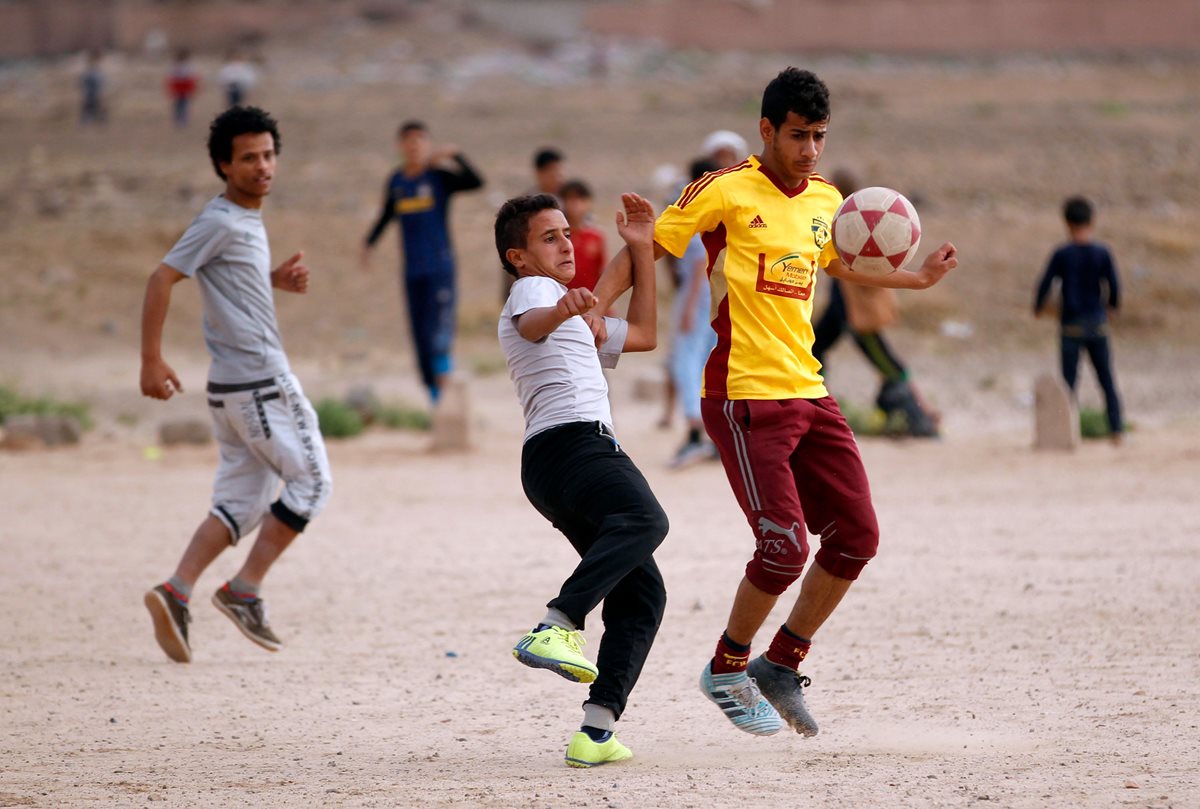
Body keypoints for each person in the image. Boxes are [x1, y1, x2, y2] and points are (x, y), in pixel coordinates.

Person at [590, 67, 957, 737]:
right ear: (766, 129)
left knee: (857, 536)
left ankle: (780, 664)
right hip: (743, 395)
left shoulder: (826, 198)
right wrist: (598, 304)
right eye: (797, 135)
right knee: (784, 548)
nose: (810, 149)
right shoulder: (723, 191)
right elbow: (645, 248)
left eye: (819, 136)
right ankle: (726, 666)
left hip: (811, 391)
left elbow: (841, 262)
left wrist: (917, 278)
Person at [140, 106, 333, 664]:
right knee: (313, 485)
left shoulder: (243, 220)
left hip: (229, 391)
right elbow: (162, 277)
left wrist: (271, 280)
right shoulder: (221, 218)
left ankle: (176, 590)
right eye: (248, 158)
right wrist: (151, 360)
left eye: (268, 155)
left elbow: (224, 278)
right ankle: (243, 590)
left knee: (240, 503)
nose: (262, 166)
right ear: (224, 165)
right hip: (261, 383)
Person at [497, 192, 668, 767]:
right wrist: (568, 308)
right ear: (518, 256)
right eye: (550, 237)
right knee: (646, 518)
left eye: (567, 233)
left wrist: (641, 249)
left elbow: (644, 333)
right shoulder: (532, 291)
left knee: (643, 594)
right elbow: (532, 326)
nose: (566, 243)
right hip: (570, 444)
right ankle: (558, 622)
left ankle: (595, 732)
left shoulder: (573, 308)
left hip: (561, 462)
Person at [361, 121, 484, 402]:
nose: (414, 146)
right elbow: (387, 215)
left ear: (427, 145)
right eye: (409, 141)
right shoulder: (397, 181)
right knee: (419, 334)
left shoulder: (439, 177)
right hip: (412, 270)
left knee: (439, 328)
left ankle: (445, 388)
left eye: (420, 140)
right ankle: (434, 398)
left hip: (439, 268)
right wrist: (369, 244)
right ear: (400, 146)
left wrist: (456, 157)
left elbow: (477, 182)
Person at [811, 168, 939, 438]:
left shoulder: (854, 224)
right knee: (813, 350)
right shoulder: (841, 222)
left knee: (889, 364)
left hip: (858, 316)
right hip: (842, 312)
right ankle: (817, 407)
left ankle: (924, 412)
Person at [1035, 195, 1124, 440]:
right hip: (1097, 323)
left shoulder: (1063, 254)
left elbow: (1045, 283)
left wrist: (1038, 307)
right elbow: (1114, 285)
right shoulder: (1102, 252)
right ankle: (1117, 430)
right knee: (1106, 380)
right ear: (1092, 221)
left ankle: (1067, 433)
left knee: (1068, 385)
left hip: (1071, 325)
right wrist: (1112, 308)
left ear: (1066, 222)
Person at [667, 157, 719, 467]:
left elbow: (699, 260)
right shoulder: (718, 204)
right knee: (702, 361)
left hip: (696, 293)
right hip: (711, 294)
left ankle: (695, 428)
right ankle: (709, 432)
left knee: (684, 360)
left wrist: (688, 306)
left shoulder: (698, 205)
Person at [560, 179, 606, 292]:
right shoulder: (558, 236)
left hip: (590, 301)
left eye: (581, 199)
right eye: (571, 199)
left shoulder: (596, 237)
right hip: (562, 301)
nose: (576, 204)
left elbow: (602, 272)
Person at [165, 49, 199, 128]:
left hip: (184, 88)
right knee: (179, 105)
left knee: (183, 104)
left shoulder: (188, 66)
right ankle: (179, 120)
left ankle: (182, 120)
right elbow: (171, 78)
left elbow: (192, 78)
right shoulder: (175, 66)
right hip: (178, 88)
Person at [80, 49, 106, 126]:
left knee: (96, 108)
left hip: (94, 94)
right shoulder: (89, 72)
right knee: (89, 109)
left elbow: (101, 83)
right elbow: (83, 83)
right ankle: (89, 122)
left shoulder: (97, 72)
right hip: (90, 95)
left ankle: (99, 122)